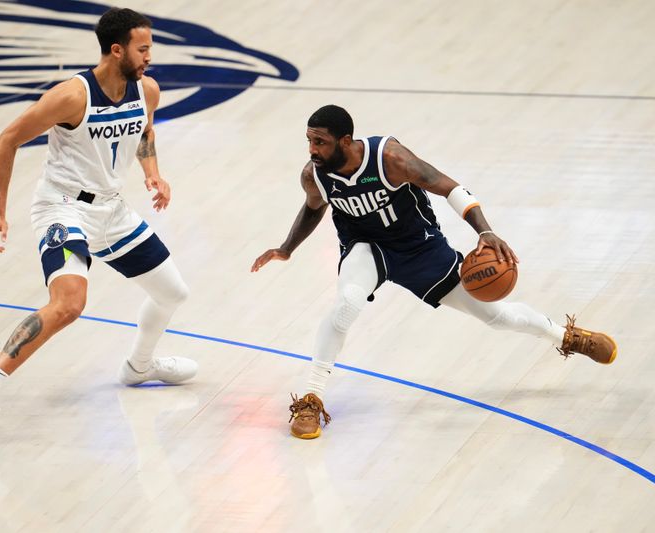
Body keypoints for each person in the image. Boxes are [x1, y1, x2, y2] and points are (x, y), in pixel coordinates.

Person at [251, 105, 617, 440]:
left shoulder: (389, 158)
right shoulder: (314, 174)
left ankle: (565, 336)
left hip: (419, 249)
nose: (312, 149)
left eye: (321, 142)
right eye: (309, 141)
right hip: (367, 249)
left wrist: (485, 231)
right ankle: (312, 398)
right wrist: (286, 247)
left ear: (345, 141)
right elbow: (314, 208)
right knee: (347, 304)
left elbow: (449, 187)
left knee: (496, 316)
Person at [0, 8, 197, 444]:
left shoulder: (148, 90)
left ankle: (139, 366)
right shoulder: (72, 96)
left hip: (113, 210)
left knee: (173, 292)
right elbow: (7, 139)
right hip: (62, 208)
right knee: (69, 304)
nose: (149, 57)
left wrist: (152, 173)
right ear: (117, 49)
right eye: (143, 49)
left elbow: (144, 132)